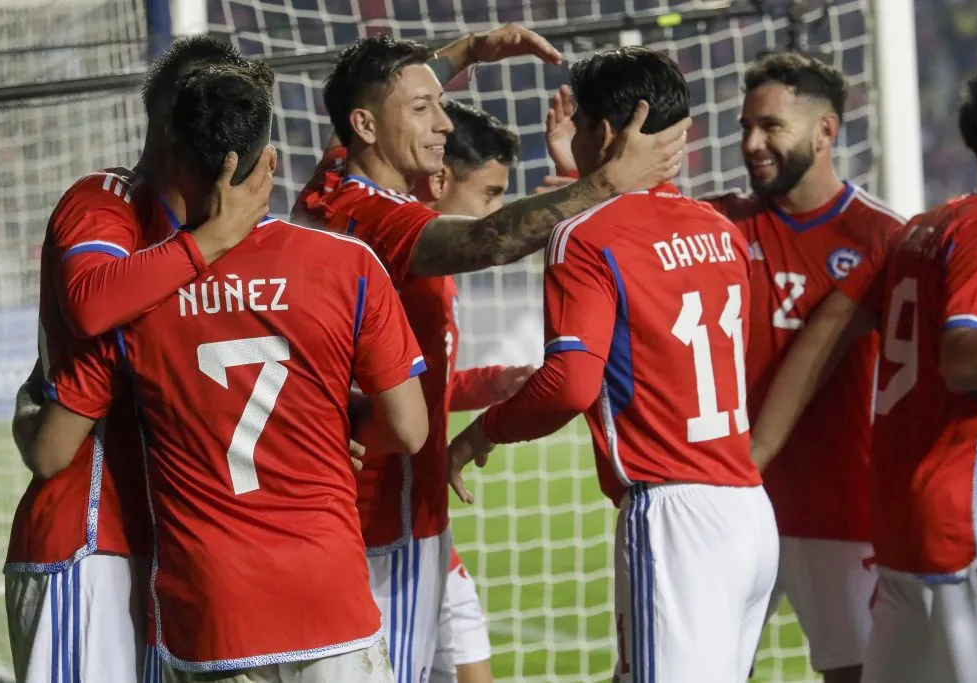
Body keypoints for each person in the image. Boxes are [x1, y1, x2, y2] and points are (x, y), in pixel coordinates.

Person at [293, 32, 690, 683]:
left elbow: (378, 100)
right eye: (423, 110)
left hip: (381, 510)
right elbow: (486, 240)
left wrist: (467, 54)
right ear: (365, 125)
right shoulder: (376, 216)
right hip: (381, 518)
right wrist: (609, 180)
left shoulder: (334, 176)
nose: (444, 123)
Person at [25, 60, 431, 682]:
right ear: (269, 159)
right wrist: (340, 428)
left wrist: (30, 406)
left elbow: (55, 444)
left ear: (176, 162)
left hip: (210, 608)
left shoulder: (139, 296)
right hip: (329, 594)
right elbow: (409, 429)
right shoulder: (347, 263)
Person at [447, 46, 777, 682]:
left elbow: (569, 386)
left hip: (675, 518)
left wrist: (475, 436)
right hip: (748, 510)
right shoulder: (720, 231)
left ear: (602, 130)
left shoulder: (587, 237)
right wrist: (578, 178)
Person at [4, 35, 272, 683]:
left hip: (176, 559)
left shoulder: (226, 242)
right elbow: (95, 307)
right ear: (170, 126)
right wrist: (212, 241)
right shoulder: (105, 200)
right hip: (90, 539)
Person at [751, 62, 977, 683]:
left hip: (899, 534)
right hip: (971, 532)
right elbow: (966, 357)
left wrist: (753, 450)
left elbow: (826, 329)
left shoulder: (917, 230)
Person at [295, 98, 535, 683]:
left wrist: (492, 384)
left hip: (426, 521)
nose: (494, 210)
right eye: (490, 193)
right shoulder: (385, 237)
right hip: (385, 518)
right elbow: (491, 239)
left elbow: (422, 386)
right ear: (441, 177)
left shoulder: (352, 203)